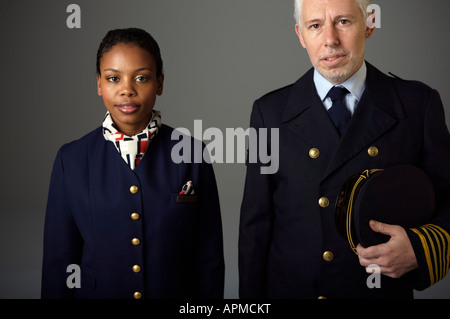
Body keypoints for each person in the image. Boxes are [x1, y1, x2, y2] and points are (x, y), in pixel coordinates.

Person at [239, 0, 450, 299]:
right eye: (315, 26)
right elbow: (255, 228)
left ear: (369, 24)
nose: (330, 40)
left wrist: (418, 248)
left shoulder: (418, 105)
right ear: (301, 35)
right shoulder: (269, 113)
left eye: (343, 22)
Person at [41, 28, 225, 299]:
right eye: (113, 78)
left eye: (141, 78)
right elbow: (59, 264)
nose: (127, 89)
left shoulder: (193, 154)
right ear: (99, 84)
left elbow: (208, 258)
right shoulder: (72, 160)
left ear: (160, 83)